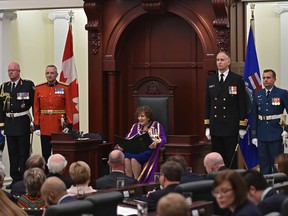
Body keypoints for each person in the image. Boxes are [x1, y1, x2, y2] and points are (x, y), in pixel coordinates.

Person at [204, 51, 248, 169]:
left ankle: (232, 182)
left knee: (230, 158)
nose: (219, 62)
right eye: (217, 60)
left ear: (228, 62)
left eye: (222, 60)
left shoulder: (237, 79)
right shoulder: (211, 80)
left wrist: (242, 126)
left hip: (230, 126)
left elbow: (242, 104)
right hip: (216, 125)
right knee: (217, 158)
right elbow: (208, 103)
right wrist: (207, 126)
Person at [0, 62, 35, 189]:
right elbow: (1, 108)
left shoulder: (27, 85)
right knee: (12, 153)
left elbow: (33, 104)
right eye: (9, 70)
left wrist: (36, 124)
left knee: (23, 153)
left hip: (22, 123)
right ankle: (15, 178)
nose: (10, 72)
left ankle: (24, 179)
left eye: (13, 70)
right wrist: (2, 126)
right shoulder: (4, 87)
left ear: (19, 71)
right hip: (9, 123)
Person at [33, 65, 73, 163]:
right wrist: (37, 126)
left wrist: (69, 124)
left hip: (59, 125)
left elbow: (68, 107)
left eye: (52, 73)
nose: (49, 75)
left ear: (56, 74)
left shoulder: (64, 88)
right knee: (46, 154)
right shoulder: (39, 88)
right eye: (47, 73)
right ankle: (47, 176)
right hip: (44, 125)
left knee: (58, 155)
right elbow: (36, 108)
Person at [251, 69, 288, 174]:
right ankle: (265, 187)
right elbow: (254, 116)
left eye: (268, 77)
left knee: (277, 164)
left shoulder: (282, 93)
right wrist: (254, 135)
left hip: (276, 134)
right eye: (264, 78)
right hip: (262, 134)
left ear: (274, 79)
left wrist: (286, 130)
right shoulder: (258, 94)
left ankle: (279, 188)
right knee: (264, 164)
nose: (265, 80)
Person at [123, 105, 167, 182]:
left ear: (148, 117)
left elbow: (163, 139)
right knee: (126, 158)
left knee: (134, 159)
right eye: (138, 116)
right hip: (135, 150)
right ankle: (129, 182)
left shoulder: (156, 125)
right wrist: (122, 145)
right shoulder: (135, 126)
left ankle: (137, 181)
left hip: (147, 150)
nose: (140, 118)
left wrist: (155, 143)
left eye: (142, 116)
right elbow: (127, 138)